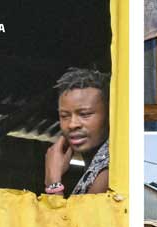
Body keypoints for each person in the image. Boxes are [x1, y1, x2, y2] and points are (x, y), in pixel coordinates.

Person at [45, 68, 111, 197]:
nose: (72, 124)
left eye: (84, 114)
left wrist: (52, 181)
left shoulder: (110, 170)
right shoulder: (95, 166)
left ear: (109, 114)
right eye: (64, 116)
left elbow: (81, 218)